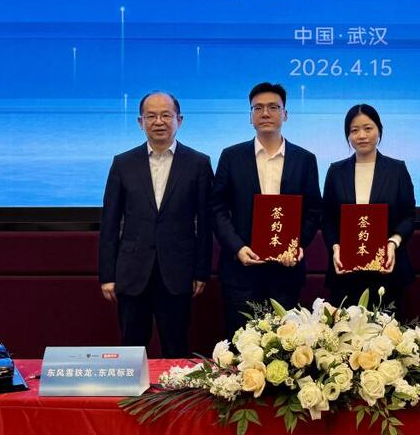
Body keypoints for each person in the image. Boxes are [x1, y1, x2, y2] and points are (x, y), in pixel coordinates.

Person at [98, 91, 213, 358]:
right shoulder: (123, 163)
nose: (158, 122)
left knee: (176, 348)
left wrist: (202, 271)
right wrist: (107, 275)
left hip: (178, 272)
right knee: (132, 349)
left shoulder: (198, 163)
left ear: (179, 120)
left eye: (166, 115)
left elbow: (206, 223)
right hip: (132, 272)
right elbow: (110, 222)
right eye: (151, 116)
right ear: (140, 122)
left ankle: (174, 388)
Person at [211, 82, 322, 338]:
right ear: (250, 116)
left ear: (285, 114)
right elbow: (217, 208)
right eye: (258, 108)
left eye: (273, 107)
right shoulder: (231, 156)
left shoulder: (305, 159)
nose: (265, 113)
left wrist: (296, 245)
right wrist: (237, 248)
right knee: (240, 347)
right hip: (241, 272)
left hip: (286, 273)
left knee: (285, 348)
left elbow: (313, 210)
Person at [322, 104, 416, 317]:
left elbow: (408, 216)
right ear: (348, 135)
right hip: (346, 272)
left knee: (388, 335)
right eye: (354, 130)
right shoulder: (336, 171)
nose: (361, 135)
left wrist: (393, 243)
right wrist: (335, 248)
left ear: (379, 130)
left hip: (388, 271)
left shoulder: (397, 169)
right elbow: (327, 219)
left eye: (368, 128)